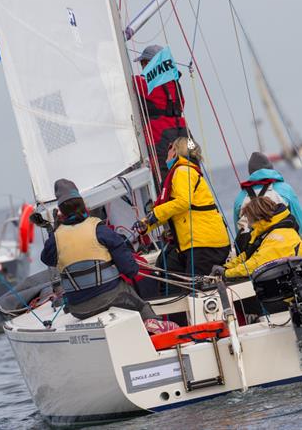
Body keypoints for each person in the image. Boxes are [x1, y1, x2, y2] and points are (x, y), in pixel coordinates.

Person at [40, 179, 159, 322]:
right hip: (112, 298)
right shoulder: (99, 229)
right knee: (141, 305)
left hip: (78, 309)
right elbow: (130, 269)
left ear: (61, 212)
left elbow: (47, 259)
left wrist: (55, 230)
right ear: (83, 205)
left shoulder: (56, 237)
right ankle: (156, 328)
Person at [135, 137, 231, 277]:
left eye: (169, 149)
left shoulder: (182, 171)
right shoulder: (188, 170)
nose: (166, 154)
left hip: (203, 244)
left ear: (175, 151)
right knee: (170, 269)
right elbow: (173, 208)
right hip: (203, 243)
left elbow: (183, 202)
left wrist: (153, 215)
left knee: (198, 289)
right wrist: (146, 225)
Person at [132, 44, 189, 188]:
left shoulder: (145, 84)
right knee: (193, 164)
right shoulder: (175, 83)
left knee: (164, 180)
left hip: (161, 134)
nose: (143, 67)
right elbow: (181, 103)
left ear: (151, 63)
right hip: (184, 131)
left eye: (144, 63)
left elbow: (124, 80)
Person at [217, 196, 302, 280]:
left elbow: (257, 263)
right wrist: (227, 267)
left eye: (249, 220)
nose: (249, 225)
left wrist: (226, 273)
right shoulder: (269, 232)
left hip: (287, 286)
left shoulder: (277, 236)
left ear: (257, 217)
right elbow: (248, 254)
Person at [233, 151, 302, 252]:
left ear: (251, 173)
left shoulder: (240, 198)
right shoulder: (285, 189)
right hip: (285, 246)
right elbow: (301, 224)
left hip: (253, 252)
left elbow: (239, 232)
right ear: (271, 169)